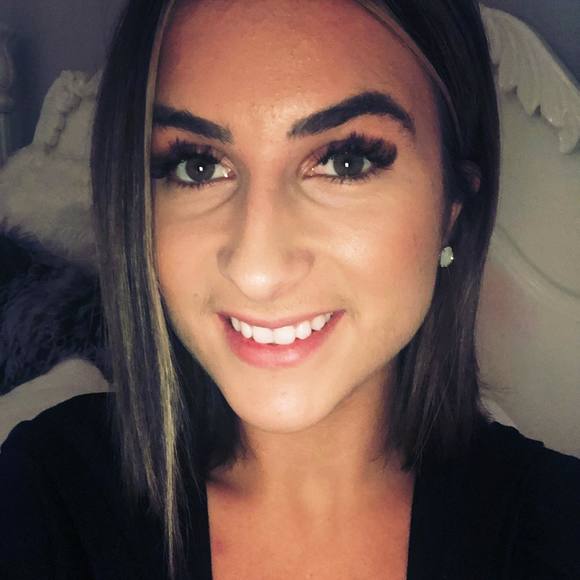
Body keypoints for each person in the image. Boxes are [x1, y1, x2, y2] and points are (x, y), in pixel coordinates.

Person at [1, 0, 579, 578]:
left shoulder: (556, 527)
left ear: (452, 208)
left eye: (346, 162)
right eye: (198, 166)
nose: (258, 270)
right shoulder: (48, 495)